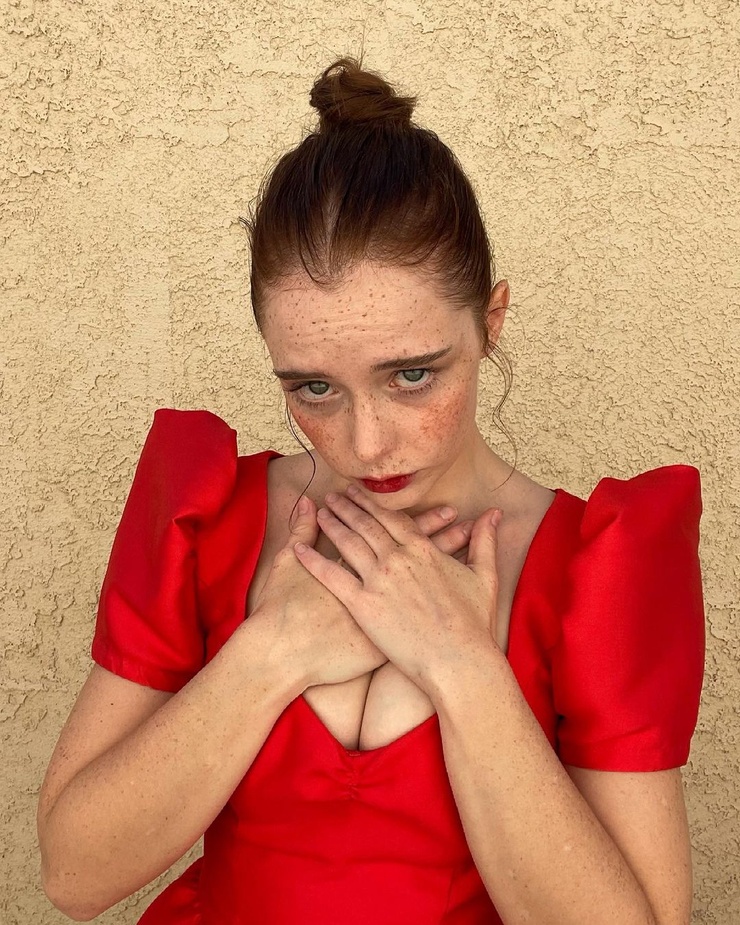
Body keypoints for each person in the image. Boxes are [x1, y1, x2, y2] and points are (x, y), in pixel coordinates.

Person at [37, 55, 705, 925]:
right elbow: (74, 872)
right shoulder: (209, 516)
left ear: (491, 320)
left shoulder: (596, 567)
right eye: (314, 387)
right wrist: (274, 650)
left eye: (412, 374)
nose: (366, 443)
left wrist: (462, 665)